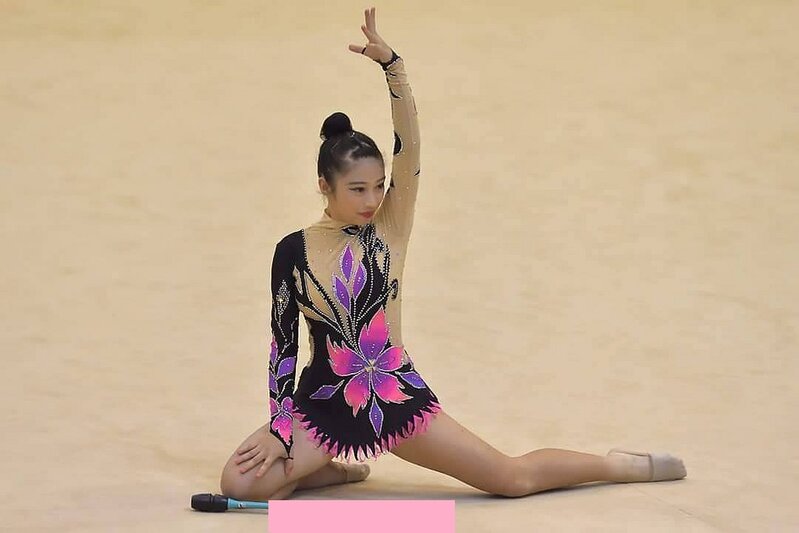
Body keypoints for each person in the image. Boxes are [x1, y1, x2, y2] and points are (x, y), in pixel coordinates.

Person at [219, 6, 687, 501]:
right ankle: (331, 469)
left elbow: (410, 146)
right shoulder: (292, 252)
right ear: (324, 186)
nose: (372, 199)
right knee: (240, 482)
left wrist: (393, 67)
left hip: (394, 394)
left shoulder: (390, 226)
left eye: (378, 185)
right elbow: (283, 346)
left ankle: (616, 465)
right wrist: (280, 427)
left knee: (510, 480)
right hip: (324, 402)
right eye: (357, 189)